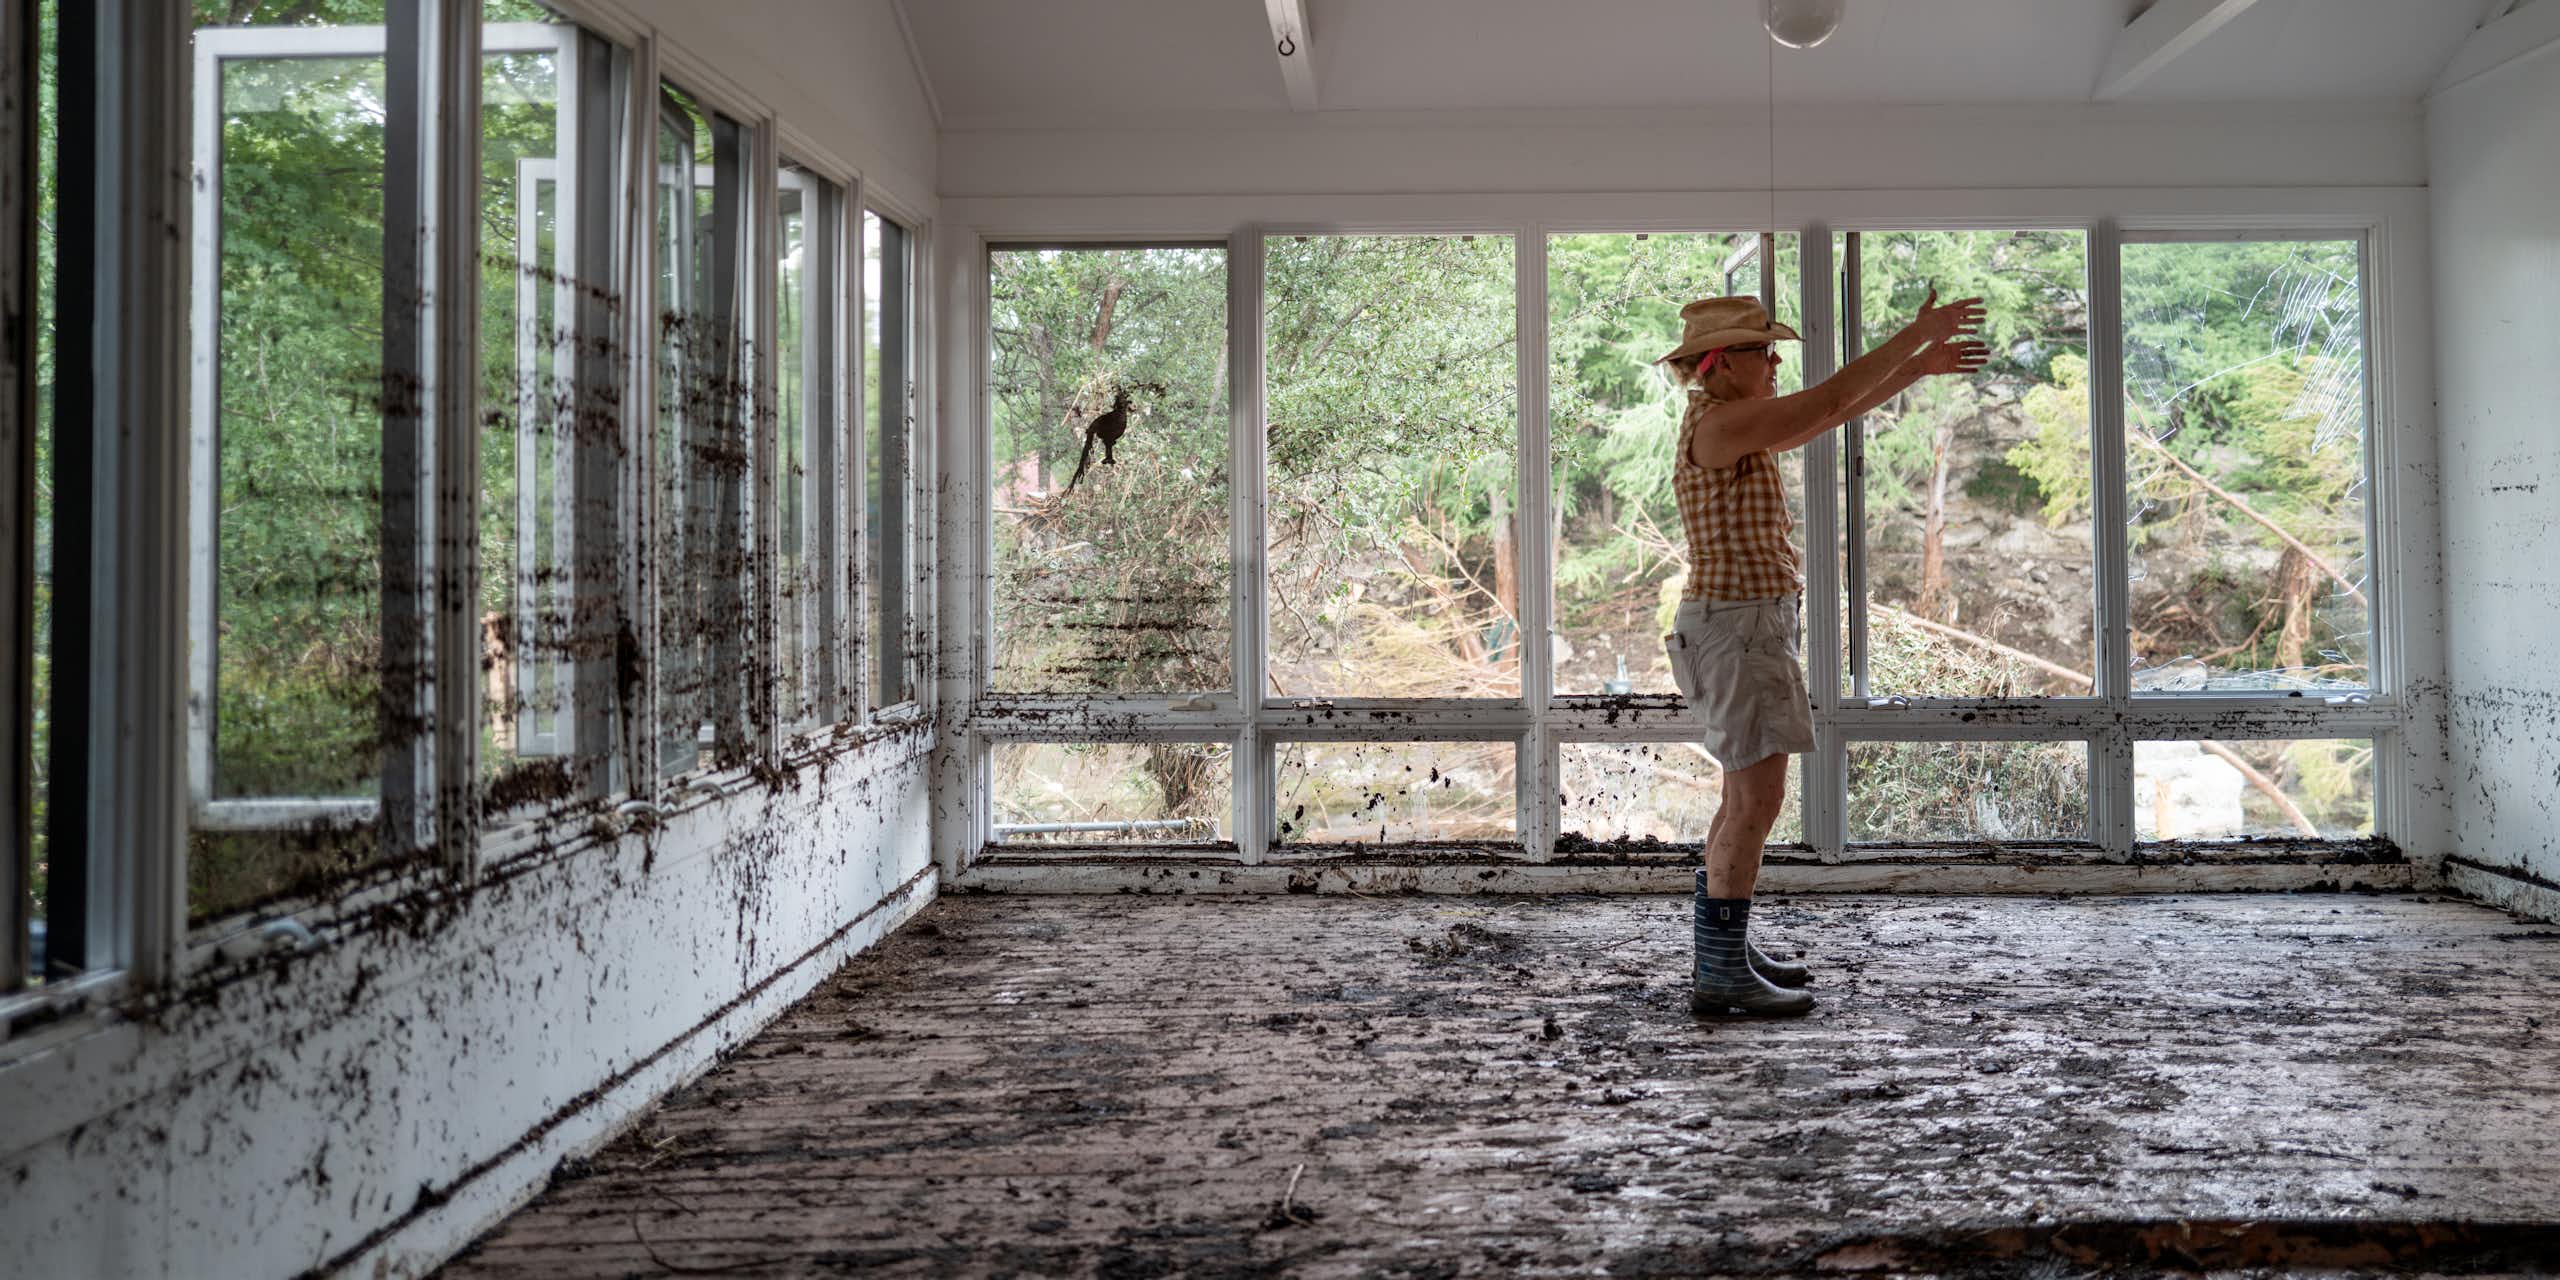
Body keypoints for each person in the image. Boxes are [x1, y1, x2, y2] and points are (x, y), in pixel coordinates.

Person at [1660, 291, 1987, 1016]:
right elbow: (1828, 397)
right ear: (1722, 364)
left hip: (1743, 625)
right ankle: (1720, 977)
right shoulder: (1723, 421)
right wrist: (1915, 335)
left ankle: (1726, 953)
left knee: (1741, 799)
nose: (1776, 360)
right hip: (1738, 629)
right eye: (1763, 350)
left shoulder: (1733, 424)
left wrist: (1917, 368)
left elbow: (1828, 414)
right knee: (1757, 801)